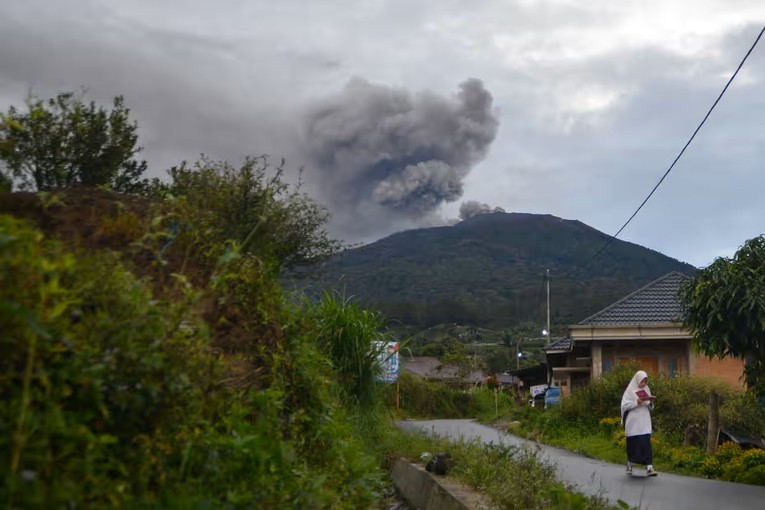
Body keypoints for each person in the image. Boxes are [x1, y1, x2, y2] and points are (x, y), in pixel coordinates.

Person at [620, 370, 657, 476]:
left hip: (644, 422)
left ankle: (649, 467)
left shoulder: (646, 389)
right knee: (633, 445)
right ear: (637, 380)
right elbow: (624, 406)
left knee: (645, 443)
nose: (644, 384)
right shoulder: (630, 391)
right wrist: (637, 402)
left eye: (645, 381)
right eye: (642, 381)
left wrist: (650, 402)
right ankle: (630, 465)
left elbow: (650, 407)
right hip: (633, 424)